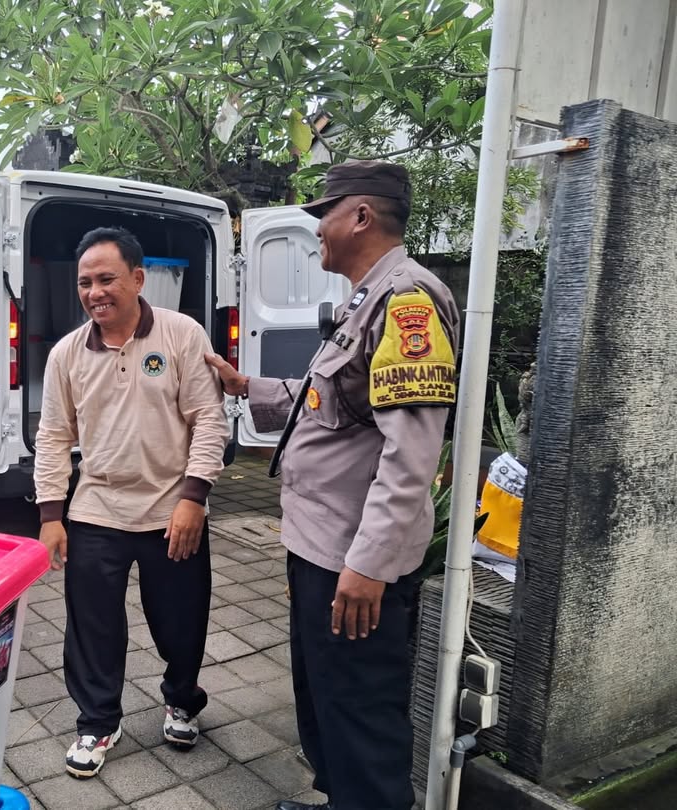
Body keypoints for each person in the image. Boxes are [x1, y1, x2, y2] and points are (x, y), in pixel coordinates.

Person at [206, 161, 460, 810]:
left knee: (361, 719)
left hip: (352, 561)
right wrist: (247, 388)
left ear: (362, 217)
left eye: (326, 213)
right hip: (320, 547)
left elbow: (412, 455)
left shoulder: (406, 302)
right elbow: (329, 403)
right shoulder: (365, 297)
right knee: (327, 704)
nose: (317, 227)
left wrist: (368, 566)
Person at [35, 227, 230, 779]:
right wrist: (51, 514)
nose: (95, 292)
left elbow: (208, 418)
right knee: (92, 626)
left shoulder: (181, 334)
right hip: (96, 508)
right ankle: (97, 721)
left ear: (138, 280)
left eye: (107, 279)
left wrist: (194, 497)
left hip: (174, 509)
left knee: (180, 621)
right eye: (85, 283)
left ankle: (182, 699)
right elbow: (53, 436)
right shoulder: (66, 354)